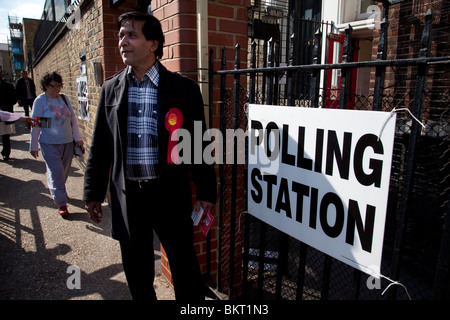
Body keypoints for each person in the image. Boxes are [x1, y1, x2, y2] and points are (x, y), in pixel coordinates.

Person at [83, 11, 217, 300]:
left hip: (169, 194)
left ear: (153, 43)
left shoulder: (184, 90)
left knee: (185, 270)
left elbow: (198, 144)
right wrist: (92, 193)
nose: (123, 42)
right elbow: (101, 147)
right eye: (120, 35)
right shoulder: (110, 90)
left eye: (131, 35)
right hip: (128, 197)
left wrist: (206, 191)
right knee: (137, 273)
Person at [30, 72, 84, 217]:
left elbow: (72, 119)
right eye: (54, 86)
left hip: (66, 142)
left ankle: (58, 188)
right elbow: (36, 125)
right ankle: (61, 203)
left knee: (63, 172)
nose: (57, 89)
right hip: (49, 143)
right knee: (57, 171)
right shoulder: (40, 101)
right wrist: (33, 145)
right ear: (46, 85)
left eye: (59, 86)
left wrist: (77, 137)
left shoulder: (64, 99)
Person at [0, 68, 18, 161]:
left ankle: (6, 153)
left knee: (5, 135)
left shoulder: (8, 86)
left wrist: (6, 105)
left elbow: (14, 99)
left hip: (5, 114)